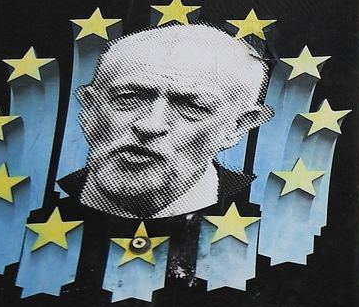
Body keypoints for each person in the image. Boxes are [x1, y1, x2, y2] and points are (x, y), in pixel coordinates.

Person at [61, 24, 273, 221]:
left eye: (193, 107)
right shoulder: (46, 210)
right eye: (128, 98)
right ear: (90, 108)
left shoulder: (264, 219)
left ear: (237, 126)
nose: (149, 125)